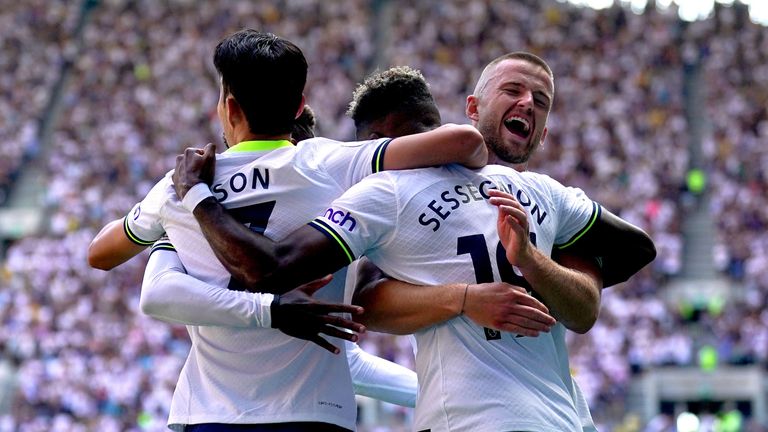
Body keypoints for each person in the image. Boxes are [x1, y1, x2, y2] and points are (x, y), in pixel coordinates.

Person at [174, 53, 656, 431]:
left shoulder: (537, 190)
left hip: (562, 417)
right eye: (513, 90)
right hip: (477, 418)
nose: (527, 103)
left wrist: (540, 264)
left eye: (540, 99)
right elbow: (362, 299)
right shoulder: (390, 191)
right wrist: (465, 298)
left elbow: (633, 253)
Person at [88, 29, 489, 431]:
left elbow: (100, 254)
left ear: (228, 108)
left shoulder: (178, 186)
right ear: (300, 107)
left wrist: (167, 217)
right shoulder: (331, 163)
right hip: (315, 414)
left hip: (212, 414)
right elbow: (463, 141)